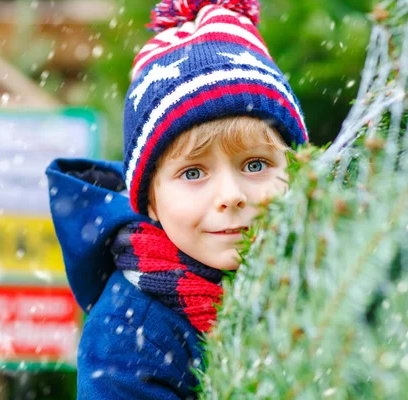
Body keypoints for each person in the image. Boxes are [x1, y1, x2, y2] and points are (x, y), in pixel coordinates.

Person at [46, 0, 308, 398]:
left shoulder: (320, 263)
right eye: (193, 173)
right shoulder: (129, 337)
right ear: (149, 201)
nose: (231, 196)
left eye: (255, 165)